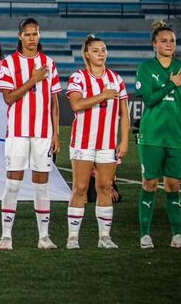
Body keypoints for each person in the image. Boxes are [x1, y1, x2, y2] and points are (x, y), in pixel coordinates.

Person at [0, 18, 62, 250]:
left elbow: (54, 102)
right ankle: (6, 236)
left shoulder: (49, 63)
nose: (32, 38)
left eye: (35, 34)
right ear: (20, 37)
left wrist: (56, 133)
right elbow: (8, 98)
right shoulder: (9, 63)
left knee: (41, 186)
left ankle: (44, 237)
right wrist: (32, 80)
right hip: (17, 133)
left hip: (43, 133)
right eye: (28, 34)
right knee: (13, 184)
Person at [135, 20, 181, 249]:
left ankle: (177, 235)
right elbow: (149, 99)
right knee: (149, 183)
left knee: (173, 186)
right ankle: (145, 235)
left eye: (172, 40)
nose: (169, 44)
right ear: (154, 44)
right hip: (151, 136)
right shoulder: (146, 68)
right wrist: (171, 85)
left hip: (177, 136)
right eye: (163, 40)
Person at [65, 35, 130, 250]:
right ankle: (73, 237)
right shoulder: (79, 77)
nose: (101, 54)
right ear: (87, 54)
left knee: (105, 187)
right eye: (96, 50)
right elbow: (76, 105)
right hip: (83, 142)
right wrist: (102, 96)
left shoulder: (116, 79)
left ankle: (104, 237)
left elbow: (124, 113)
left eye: (104, 50)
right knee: (80, 188)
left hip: (107, 144)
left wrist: (124, 141)